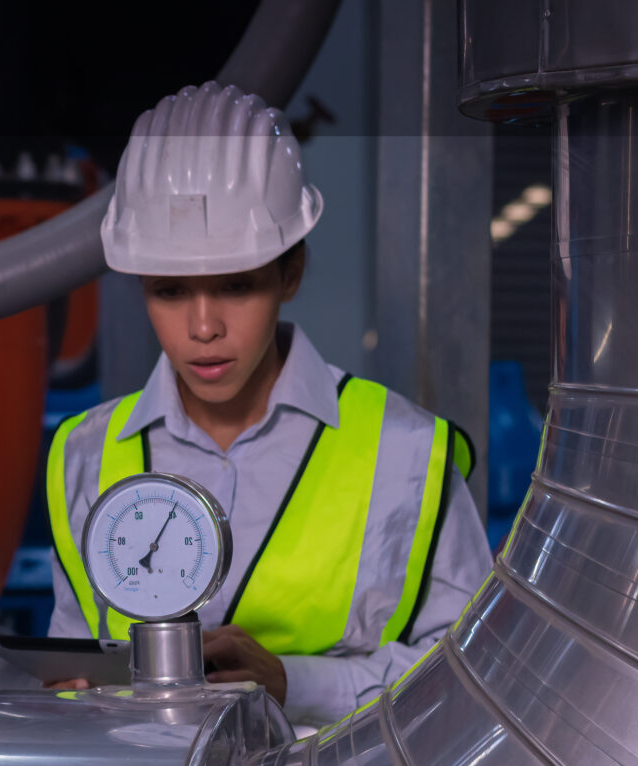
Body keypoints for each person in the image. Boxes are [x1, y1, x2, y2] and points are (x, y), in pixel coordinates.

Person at [45, 82, 490, 727]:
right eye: (169, 291)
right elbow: (72, 670)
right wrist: (73, 693)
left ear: (291, 273)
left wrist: (291, 683)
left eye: (236, 285)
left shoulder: (407, 452)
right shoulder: (84, 454)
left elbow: (469, 675)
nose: (202, 328)